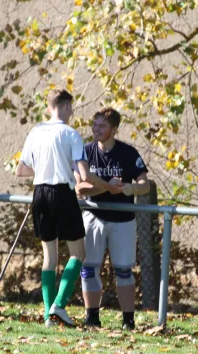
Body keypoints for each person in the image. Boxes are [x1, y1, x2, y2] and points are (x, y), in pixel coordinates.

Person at [16, 89, 121, 327]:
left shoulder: (35, 132)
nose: (72, 112)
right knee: (78, 254)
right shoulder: (71, 134)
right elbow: (84, 174)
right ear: (63, 107)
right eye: (71, 108)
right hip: (62, 193)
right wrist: (109, 186)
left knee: (49, 258)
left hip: (39, 193)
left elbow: (21, 170)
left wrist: (45, 167)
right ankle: (59, 306)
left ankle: (47, 315)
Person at [75, 107, 150, 330]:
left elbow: (144, 185)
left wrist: (128, 188)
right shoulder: (85, 151)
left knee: (124, 271)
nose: (96, 130)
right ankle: (92, 318)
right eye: (94, 125)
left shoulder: (128, 153)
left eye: (102, 126)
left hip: (123, 220)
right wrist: (109, 188)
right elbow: (80, 188)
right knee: (88, 268)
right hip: (93, 216)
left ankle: (128, 320)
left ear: (114, 129)